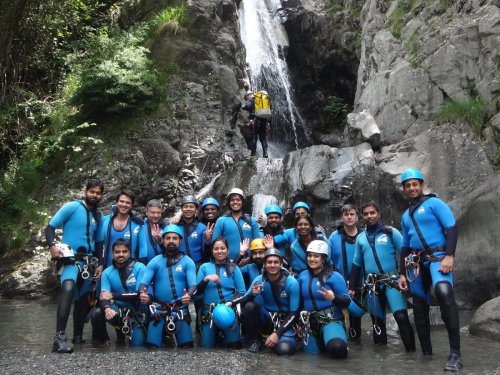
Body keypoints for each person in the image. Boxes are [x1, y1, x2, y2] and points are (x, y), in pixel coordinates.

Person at [398, 168, 463, 372]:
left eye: (414, 184)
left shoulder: (434, 203)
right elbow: (405, 247)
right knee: (418, 306)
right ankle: (426, 355)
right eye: (407, 185)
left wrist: (450, 256)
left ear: (421, 184)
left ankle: (455, 354)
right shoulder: (405, 216)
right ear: (404, 189)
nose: (411, 188)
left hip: (439, 258)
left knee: (444, 293)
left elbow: (451, 227)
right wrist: (401, 273)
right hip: (417, 264)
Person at [45, 179, 104, 353]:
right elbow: (50, 227)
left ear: (101, 195)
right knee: (68, 288)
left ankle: (77, 337)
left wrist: (100, 264)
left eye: (98, 193)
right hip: (70, 260)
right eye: (92, 191)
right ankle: (59, 337)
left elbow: (99, 242)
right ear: (86, 192)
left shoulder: (98, 216)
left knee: (83, 300)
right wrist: (52, 247)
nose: (94, 195)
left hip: (88, 263)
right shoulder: (72, 207)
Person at [348, 202, 416, 351]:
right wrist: (352, 287)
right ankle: (381, 361)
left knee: (401, 318)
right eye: (365, 214)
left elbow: (405, 254)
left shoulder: (391, 232)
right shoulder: (361, 238)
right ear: (362, 216)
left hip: (392, 281)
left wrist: (407, 277)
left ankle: (412, 355)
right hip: (372, 285)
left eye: (372, 213)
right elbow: (357, 263)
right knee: (377, 322)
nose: (369, 216)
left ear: (379, 213)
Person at [232, 248, 300, 355]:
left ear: (281, 264)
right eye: (269, 262)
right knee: (250, 306)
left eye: (276, 262)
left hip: (285, 321)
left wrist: (277, 334)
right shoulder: (259, 280)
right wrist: (251, 295)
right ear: (265, 264)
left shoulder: (291, 282)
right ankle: (255, 341)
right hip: (267, 320)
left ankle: (282, 338)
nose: (272, 265)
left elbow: (294, 313)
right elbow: (242, 305)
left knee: (284, 350)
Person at [139, 224, 196, 348]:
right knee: (152, 347)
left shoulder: (188, 261)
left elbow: (193, 284)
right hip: (159, 310)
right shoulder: (155, 261)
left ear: (180, 240)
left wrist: (189, 296)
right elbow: (143, 283)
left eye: (175, 238)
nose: (171, 241)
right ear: (163, 240)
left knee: (187, 347)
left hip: (180, 309)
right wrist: (143, 294)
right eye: (168, 238)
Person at [91, 239, 148, 347]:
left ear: (129, 253)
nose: (121, 254)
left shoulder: (140, 268)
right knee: (97, 313)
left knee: (137, 346)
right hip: (119, 312)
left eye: (124, 251)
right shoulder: (107, 273)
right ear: (112, 254)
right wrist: (107, 308)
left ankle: (133, 333)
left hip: (138, 312)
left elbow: (138, 294)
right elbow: (104, 296)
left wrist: (113, 295)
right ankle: (103, 342)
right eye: (117, 252)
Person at [298, 240, 351, 358]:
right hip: (309, 322)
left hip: (331, 320)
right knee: (310, 359)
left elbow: (347, 302)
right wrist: (300, 324)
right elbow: (299, 303)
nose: (312, 259)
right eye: (310, 255)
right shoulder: (302, 276)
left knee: (338, 348)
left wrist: (334, 298)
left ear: (323, 259)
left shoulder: (335, 276)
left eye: (316, 256)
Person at [196, 237, 246, 348]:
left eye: (222, 248)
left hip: (228, 311)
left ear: (228, 250)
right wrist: (206, 279)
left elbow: (242, 292)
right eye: (216, 249)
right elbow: (195, 293)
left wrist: (230, 302)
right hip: (209, 313)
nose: (219, 251)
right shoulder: (204, 268)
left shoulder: (234, 268)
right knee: (206, 347)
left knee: (234, 346)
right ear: (212, 251)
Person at [328, 204, 363, 340]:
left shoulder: (364, 235)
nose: (349, 217)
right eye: (346, 214)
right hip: (339, 283)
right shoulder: (334, 236)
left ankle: (356, 342)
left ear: (357, 216)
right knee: (338, 315)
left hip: (361, 283)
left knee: (355, 319)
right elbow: (328, 259)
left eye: (352, 214)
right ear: (342, 217)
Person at [97, 190, 146, 268]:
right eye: (121, 201)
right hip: (106, 268)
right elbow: (98, 244)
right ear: (117, 203)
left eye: (128, 202)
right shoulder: (104, 221)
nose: (124, 205)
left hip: (129, 270)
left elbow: (143, 249)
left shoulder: (138, 225)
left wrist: (141, 269)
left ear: (131, 205)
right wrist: (99, 264)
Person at [212, 188, 260, 262]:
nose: (235, 202)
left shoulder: (252, 221)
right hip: (228, 263)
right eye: (232, 200)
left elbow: (258, 243)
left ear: (242, 202)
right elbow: (214, 244)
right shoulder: (221, 221)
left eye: (238, 200)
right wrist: (227, 261)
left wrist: (249, 259)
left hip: (250, 263)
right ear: (229, 202)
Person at [177, 195, 213, 269]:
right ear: (181, 209)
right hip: (179, 264)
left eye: (191, 206)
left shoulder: (202, 227)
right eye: (186, 206)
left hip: (197, 264)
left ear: (196, 209)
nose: (188, 209)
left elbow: (207, 252)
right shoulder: (176, 227)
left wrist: (207, 242)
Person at [242, 91, 269, 158]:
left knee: (254, 137)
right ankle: (265, 153)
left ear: (248, 95)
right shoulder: (260, 99)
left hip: (255, 120)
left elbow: (247, 106)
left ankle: (253, 154)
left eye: (246, 98)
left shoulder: (250, 100)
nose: (246, 99)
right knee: (262, 137)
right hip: (264, 120)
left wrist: (242, 106)